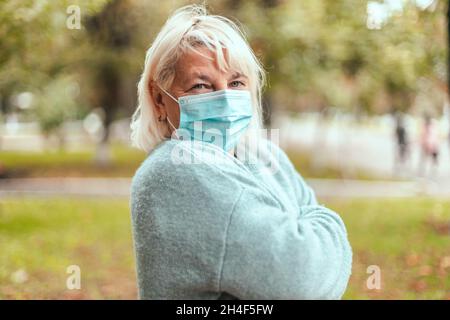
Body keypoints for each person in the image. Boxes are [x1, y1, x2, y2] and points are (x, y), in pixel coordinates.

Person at [129, 4, 352, 300]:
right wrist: (326, 223)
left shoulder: (264, 157)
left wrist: (308, 237)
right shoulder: (174, 171)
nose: (224, 98)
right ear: (159, 99)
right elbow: (302, 278)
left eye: (235, 83)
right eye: (201, 86)